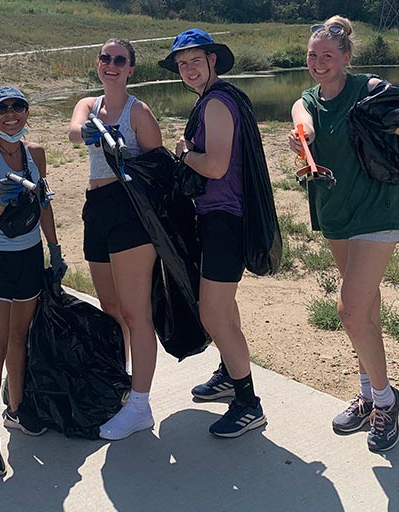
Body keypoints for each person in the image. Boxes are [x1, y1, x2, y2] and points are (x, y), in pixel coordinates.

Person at [288, 15, 399, 452]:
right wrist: (302, 135)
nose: (318, 62)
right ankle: (370, 393)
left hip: (379, 212)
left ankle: (385, 402)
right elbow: (301, 116)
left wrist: (386, 123)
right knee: (366, 315)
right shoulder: (309, 99)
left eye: (328, 56)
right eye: (313, 55)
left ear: (346, 58)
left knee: (350, 313)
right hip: (336, 214)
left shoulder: (371, 90)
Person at [159, 29, 267, 438]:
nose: (188, 69)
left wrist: (184, 152)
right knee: (224, 308)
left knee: (213, 313)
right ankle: (228, 372)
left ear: (212, 61)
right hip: (219, 218)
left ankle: (247, 402)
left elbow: (217, 167)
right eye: (182, 63)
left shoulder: (217, 104)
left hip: (225, 219)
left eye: (194, 61)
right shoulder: (217, 99)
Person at [68, 38, 163, 441]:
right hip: (97, 208)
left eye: (119, 60)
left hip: (130, 212)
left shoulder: (138, 111)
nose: (110, 64)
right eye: (105, 58)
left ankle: (140, 404)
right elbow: (74, 132)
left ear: (130, 70)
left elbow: (160, 167)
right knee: (110, 307)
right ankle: (118, 382)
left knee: (135, 311)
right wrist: (89, 131)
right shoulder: (89, 105)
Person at [0, 86, 67, 477]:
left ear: (27, 113)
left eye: (18, 107)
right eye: (2, 110)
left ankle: (17, 409)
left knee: (19, 339)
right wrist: (7, 198)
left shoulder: (36, 155)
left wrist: (55, 248)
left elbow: (44, 203)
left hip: (29, 258)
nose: (11, 115)